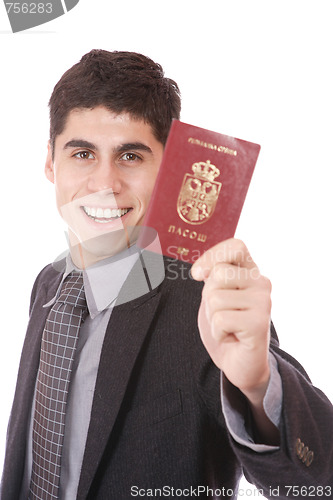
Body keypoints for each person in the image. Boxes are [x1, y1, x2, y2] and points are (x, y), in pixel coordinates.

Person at [1, 49, 332, 500]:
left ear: (169, 169)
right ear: (49, 162)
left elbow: (316, 483)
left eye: (131, 157)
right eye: (82, 153)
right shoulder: (47, 283)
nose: (104, 183)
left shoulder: (204, 300)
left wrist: (257, 385)